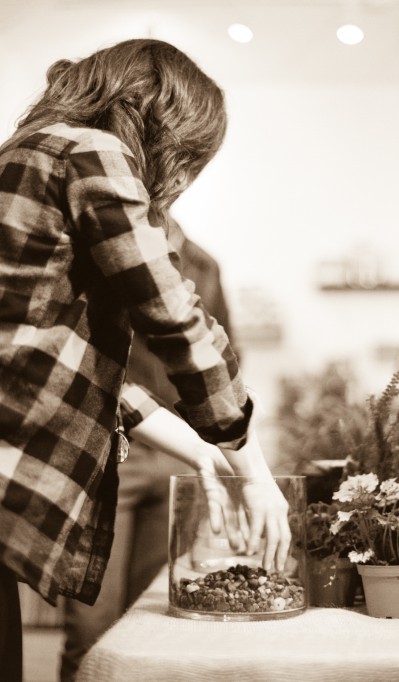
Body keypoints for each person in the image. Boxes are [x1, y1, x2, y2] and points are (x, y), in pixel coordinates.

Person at [0, 38, 291, 682]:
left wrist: (204, 452)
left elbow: (70, 363)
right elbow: (176, 319)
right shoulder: (87, 150)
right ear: (164, 122)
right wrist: (254, 470)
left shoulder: (25, 155)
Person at [59, 215, 240, 682]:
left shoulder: (204, 264)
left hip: (182, 451)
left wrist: (218, 450)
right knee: (91, 625)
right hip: (112, 448)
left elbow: (222, 356)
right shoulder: (105, 246)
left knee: (150, 622)